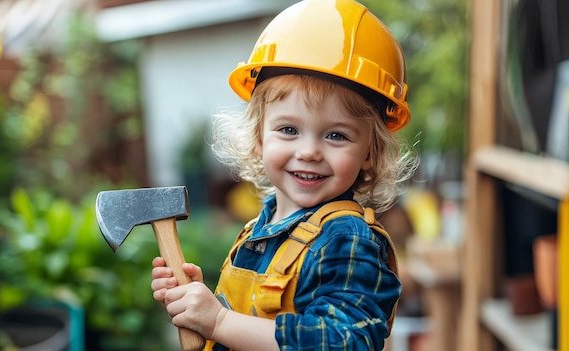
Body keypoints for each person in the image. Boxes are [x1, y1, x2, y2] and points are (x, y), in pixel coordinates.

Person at [151, 0, 418, 349]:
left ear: (370, 151)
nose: (308, 151)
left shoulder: (348, 241)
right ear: (260, 137)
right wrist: (205, 306)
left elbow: (344, 341)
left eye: (336, 135)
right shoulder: (262, 227)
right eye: (289, 129)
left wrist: (219, 321)